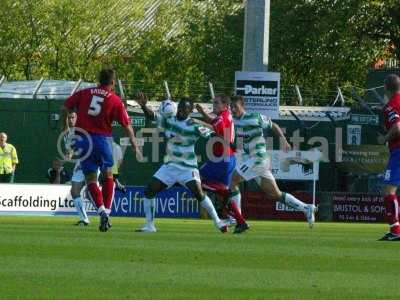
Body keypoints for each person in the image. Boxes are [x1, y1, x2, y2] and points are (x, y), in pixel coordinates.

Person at [62, 68, 142, 232]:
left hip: (83, 140)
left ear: (99, 80)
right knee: (108, 176)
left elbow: (65, 107)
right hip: (103, 141)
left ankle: (101, 212)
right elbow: (127, 126)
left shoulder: (84, 92)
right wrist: (135, 146)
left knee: (91, 179)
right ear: (113, 82)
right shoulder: (115, 99)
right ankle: (107, 212)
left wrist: (64, 128)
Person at [135, 93, 227, 233]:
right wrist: (143, 106)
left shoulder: (194, 125)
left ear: (190, 111)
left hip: (187, 168)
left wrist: (201, 123)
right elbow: (152, 116)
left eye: (185, 109)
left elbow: (214, 133)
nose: (181, 111)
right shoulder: (169, 120)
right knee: (149, 190)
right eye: (181, 108)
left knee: (199, 194)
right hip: (170, 166)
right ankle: (149, 225)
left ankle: (218, 221)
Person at [228, 96, 317, 232]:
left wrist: (284, 140)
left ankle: (237, 219)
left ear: (242, 106)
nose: (233, 109)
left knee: (233, 180)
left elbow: (273, 125)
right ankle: (306, 208)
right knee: (275, 194)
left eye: (235, 106)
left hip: (258, 159)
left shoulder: (254, 117)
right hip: (252, 160)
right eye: (231, 107)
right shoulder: (233, 120)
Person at [196, 95, 245, 231]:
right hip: (229, 159)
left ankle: (229, 203)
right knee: (220, 191)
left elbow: (214, 126)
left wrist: (197, 121)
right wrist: (202, 113)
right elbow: (214, 122)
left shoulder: (220, 119)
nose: (214, 105)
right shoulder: (227, 114)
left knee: (196, 180)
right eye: (213, 103)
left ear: (225, 105)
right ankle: (238, 220)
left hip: (220, 159)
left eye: (216, 103)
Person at [378, 74, 400, 241]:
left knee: (388, 190)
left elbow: (397, 128)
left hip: (398, 151)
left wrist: (385, 138)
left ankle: (395, 230)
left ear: (386, 87)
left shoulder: (390, 106)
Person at [63, 111, 90, 226]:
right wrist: (69, 154)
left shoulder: (83, 130)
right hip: (80, 163)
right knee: (74, 191)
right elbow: (70, 151)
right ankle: (84, 219)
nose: (71, 120)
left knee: (91, 192)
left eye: (73, 117)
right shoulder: (68, 134)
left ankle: (104, 212)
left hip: (89, 161)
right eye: (69, 118)